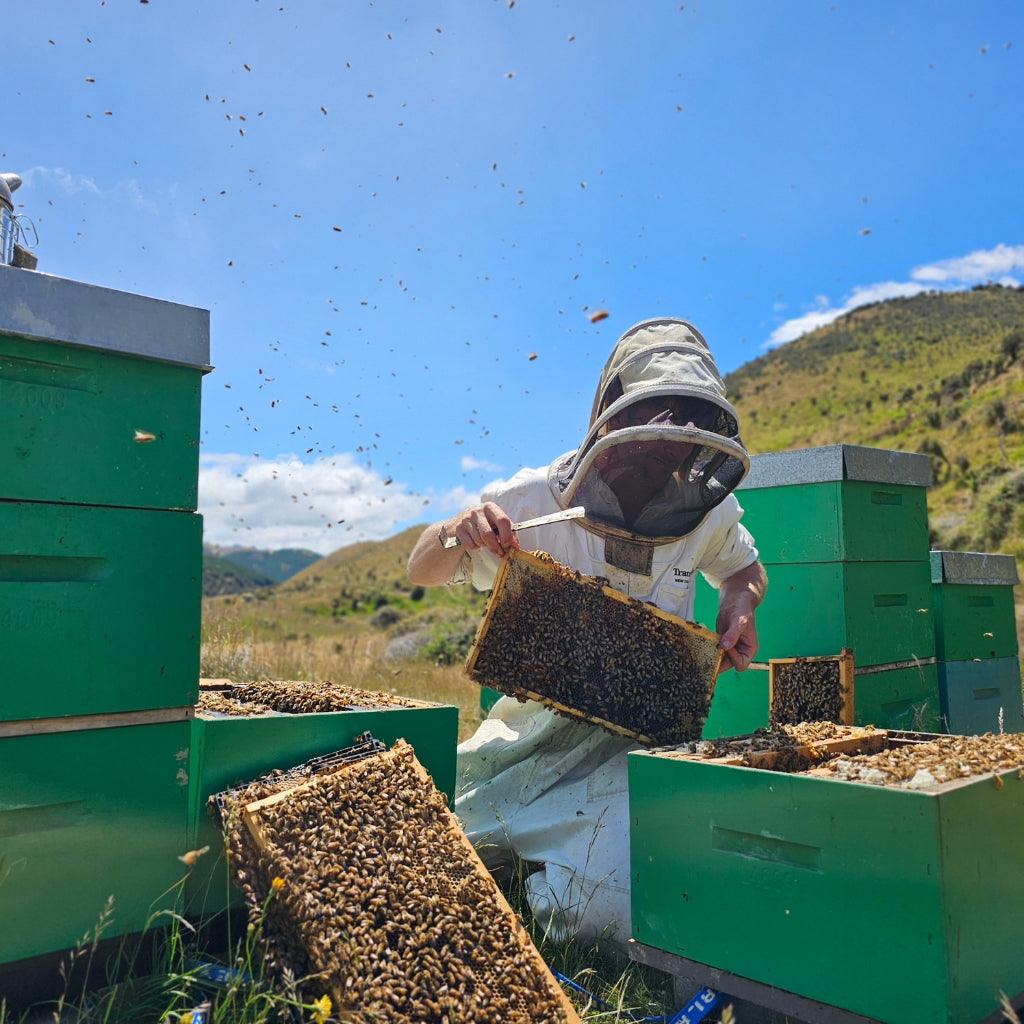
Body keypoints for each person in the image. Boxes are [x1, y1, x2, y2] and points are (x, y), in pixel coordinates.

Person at [408, 316, 767, 946]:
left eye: (680, 440)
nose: (665, 455)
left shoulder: (707, 511)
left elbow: (745, 570)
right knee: (425, 868)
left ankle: (554, 877)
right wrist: (456, 528)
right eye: (653, 435)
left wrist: (740, 607)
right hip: (519, 749)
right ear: (612, 423)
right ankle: (520, 861)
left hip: (633, 757)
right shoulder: (532, 499)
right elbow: (422, 568)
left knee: (610, 916)